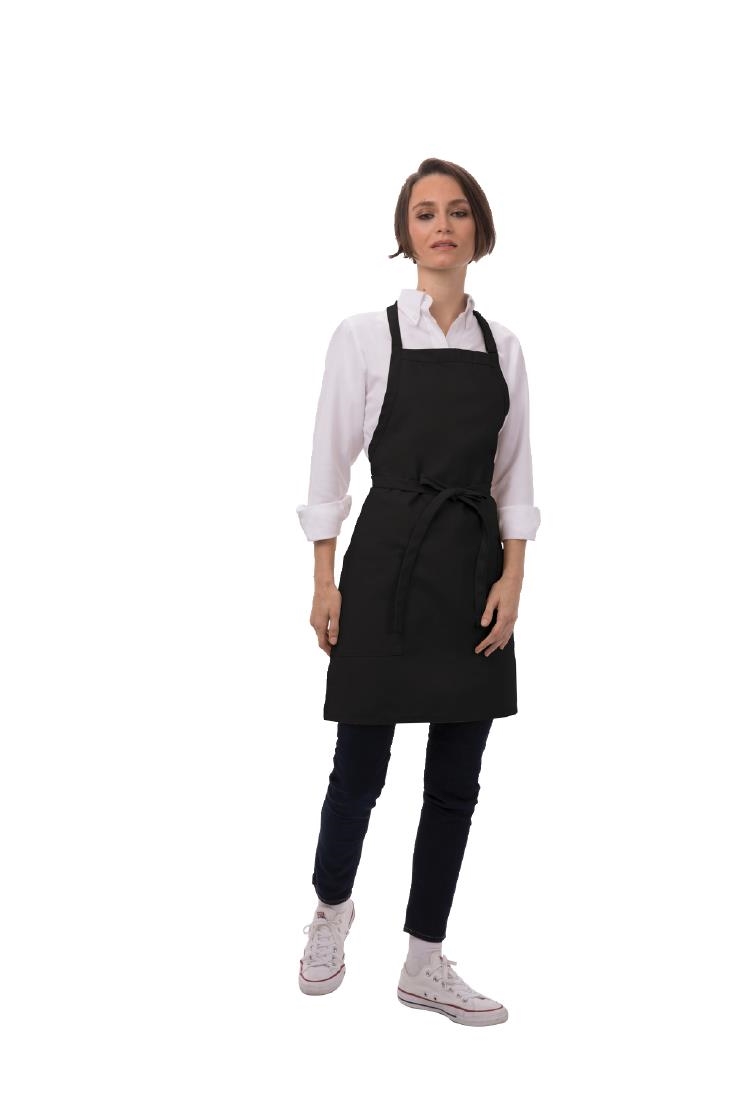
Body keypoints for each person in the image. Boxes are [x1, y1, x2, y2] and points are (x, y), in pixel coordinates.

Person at [294, 159, 540, 1026]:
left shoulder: (502, 347)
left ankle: (425, 960)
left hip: (472, 571)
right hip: (385, 565)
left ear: (478, 231)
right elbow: (329, 463)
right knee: (358, 769)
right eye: (426, 213)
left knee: (456, 783)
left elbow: (514, 478)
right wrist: (323, 579)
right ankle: (330, 913)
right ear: (406, 235)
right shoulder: (363, 337)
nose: (443, 225)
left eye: (458, 212)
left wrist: (513, 578)